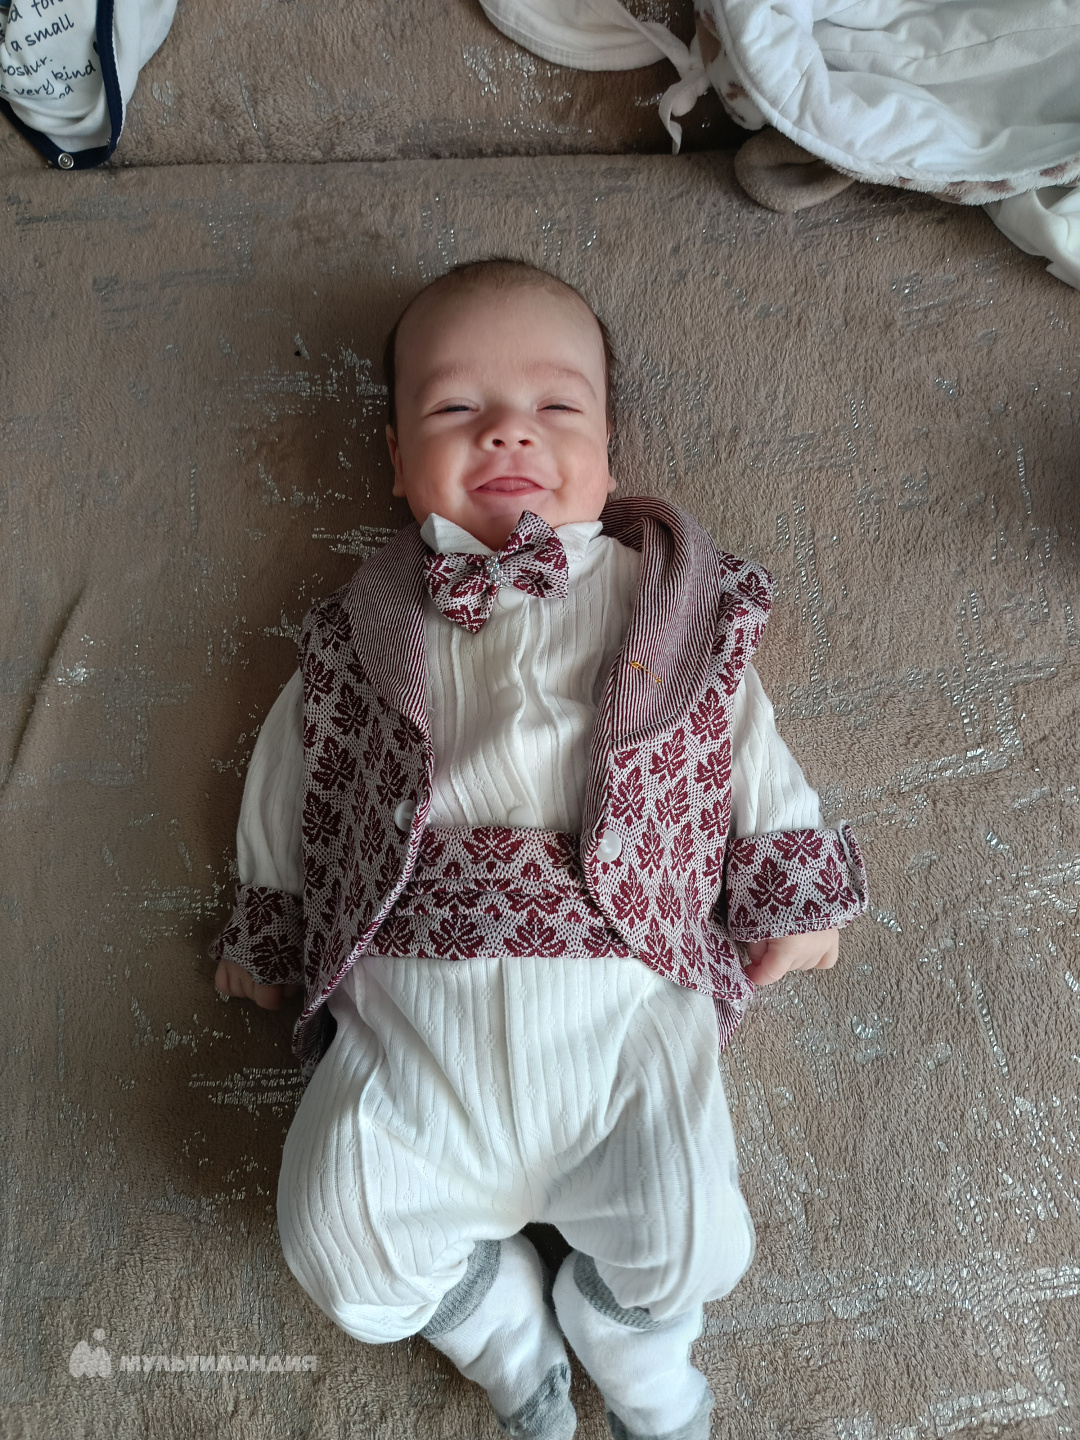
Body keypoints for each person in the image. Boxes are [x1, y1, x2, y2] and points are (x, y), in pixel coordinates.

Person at [212, 258, 867, 1440]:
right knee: (337, 1233)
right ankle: (505, 1335)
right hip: (415, 1025)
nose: (509, 428)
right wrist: (269, 920)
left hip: (622, 1007)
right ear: (398, 461)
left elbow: (734, 734)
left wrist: (790, 882)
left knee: (694, 1234)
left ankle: (631, 1343)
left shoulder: (664, 605)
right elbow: (296, 768)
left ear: (606, 458)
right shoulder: (363, 627)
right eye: (457, 406)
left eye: (557, 405)